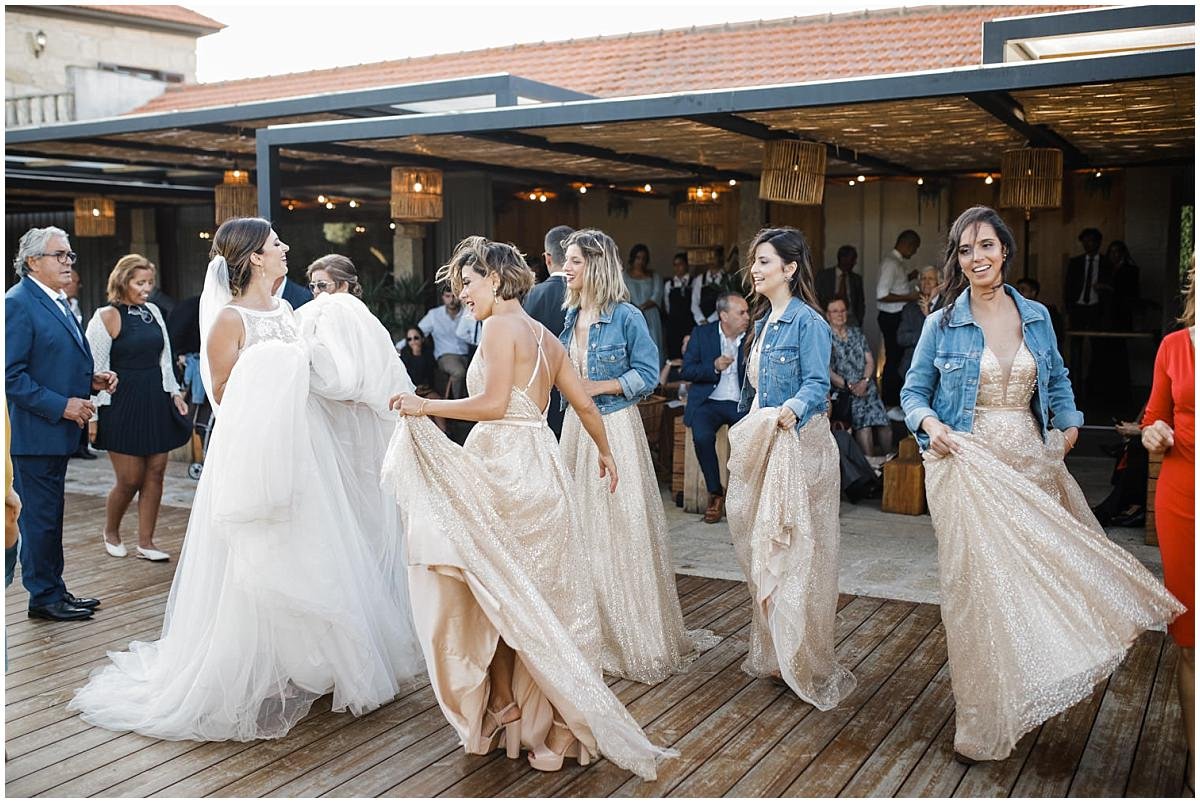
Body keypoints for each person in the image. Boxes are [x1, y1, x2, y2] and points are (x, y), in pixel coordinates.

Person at [68, 217, 423, 741]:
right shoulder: (228, 320)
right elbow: (224, 395)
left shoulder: (286, 310)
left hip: (306, 447)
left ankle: (311, 661)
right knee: (259, 553)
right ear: (255, 256)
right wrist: (278, 369)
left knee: (313, 546)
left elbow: (312, 376)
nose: (284, 247)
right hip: (257, 450)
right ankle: (256, 666)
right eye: (276, 243)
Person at [900, 205, 1182, 764]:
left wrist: (1070, 424)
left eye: (986, 245)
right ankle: (979, 724)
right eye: (965, 250)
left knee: (1036, 582)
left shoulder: (1037, 316)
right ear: (958, 260)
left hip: (1031, 460)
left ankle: (1025, 691)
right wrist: (931, 426)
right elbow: (912, 392)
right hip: (969, 466)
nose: (977, 257)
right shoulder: (942, 322)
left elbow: (1057, 380)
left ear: (1005, 250)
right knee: (976, 595)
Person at [384, 237, 673, 779]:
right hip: (544, 470)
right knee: (535, 598)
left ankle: (506, 704)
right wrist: (606, 453)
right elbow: (584, 403)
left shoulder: (498, 328)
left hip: (503, 469)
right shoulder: (547, 336)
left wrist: (424, 405)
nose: (462, 295)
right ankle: (531, 718)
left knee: (492, 589)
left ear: (495, 280)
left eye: (468, 283)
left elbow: (493, 404)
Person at [559, 228, 715, 685]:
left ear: (596, 265)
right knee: (579, 528)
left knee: (619, 528)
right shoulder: (570, 316)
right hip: (575, 429)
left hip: (614, 426)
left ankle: (628, 633)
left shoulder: (626, 316)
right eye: (566, 260)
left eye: (574, 260)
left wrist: (597, 386)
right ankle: (587, 632)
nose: (565, 268)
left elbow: (648, 375)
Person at [725, 226, 856, 710]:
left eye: (764, 261)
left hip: (800, 447)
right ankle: (776, 647)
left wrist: (790, 410)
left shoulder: (809, 323)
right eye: (754, 261)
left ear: (790, 268)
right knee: (755, 541)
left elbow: (817, 385)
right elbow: (753, 391)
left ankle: (802, 656)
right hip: (764, 444)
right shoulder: (761, 323)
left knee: (798, 552)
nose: (755, 269)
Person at [6, 226, 117, 622]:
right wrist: (62, 405)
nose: (68, 262)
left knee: (50, 517)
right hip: (33, 435)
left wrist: (90, 380)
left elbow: (49, 360)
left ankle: (54, 590)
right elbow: (11, 376)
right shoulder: (17, 303)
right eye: (60, 255)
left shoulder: (56, 299)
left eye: (70, 255)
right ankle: (44, 598)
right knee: (39, 519)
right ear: (33, 261)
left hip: (53, 433)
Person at [86, 254, 191, 562]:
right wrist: (93, 415)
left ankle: (147, 542)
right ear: (123, 282)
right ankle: (111, 532)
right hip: (120, 402)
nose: (147, 289)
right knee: (130, 478)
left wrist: (174, 393)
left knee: (156, 472)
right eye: (140, 283)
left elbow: (165, 358)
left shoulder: (153, 312)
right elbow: (93, 370)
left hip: (155, 398)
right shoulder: (106, 316)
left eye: (150, 283)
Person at [1141, 262, 1194, 790]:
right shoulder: (1175, 346)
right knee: (1191, 639)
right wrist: (1154, 432)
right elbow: (1153, 416)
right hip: (1183, 499)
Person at [680, 291, 749, 524]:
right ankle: (715, 493)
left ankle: (744, 497)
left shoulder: (753, 336)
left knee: (750, 440)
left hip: (740, 403)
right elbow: (687, 370)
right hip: (708, 401)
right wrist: (714, 367)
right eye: (741, 313)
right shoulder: (702, 334)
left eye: (747, 312)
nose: (747, 317)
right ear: (724, 316)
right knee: (702, 437)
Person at [523, 225, 574, 439]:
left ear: (547, 258)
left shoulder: (531, 296)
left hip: (539, 392)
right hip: (580, 389)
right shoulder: (586, 294)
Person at [826, 296, 893, 458]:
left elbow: (870, 361)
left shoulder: (856, 333)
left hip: (866, 386)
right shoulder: (825, 337)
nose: (840, 314)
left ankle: (889, 463)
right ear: (828, 315)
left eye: (843, 310)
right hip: (845, 392)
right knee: (865, 426)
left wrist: (865, 381)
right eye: (835, 311)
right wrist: (849, 386)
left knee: (885, 424)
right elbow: (826, 370)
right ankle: (871, 467)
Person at [876, 229, 921, 417]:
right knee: (893, 360)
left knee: (898, 359)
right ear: (907, 244)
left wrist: (909, 277)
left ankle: (897, 401)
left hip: (896, 316)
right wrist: (910, 297)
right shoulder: (891, 263)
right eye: (915, 248)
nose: (915, 252)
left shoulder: (897, 263)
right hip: (891, 317)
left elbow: (894, 285)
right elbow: (882, 294)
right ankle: (889, 403)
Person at [63, 266, 98, 460]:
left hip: (78, 363)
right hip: (65, 364)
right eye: (76, 282)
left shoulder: (74, 304)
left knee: (83, 402)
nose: (79, 286)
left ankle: (81, 446)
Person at [418, 287, 471, 400]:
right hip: (446, 356)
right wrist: (399, 346)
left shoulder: (467, 312)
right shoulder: (434, 315)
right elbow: (419, 332)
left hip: (468, 354)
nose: (451, 300)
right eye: (448, 296)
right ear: (443, 297)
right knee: (458, 372)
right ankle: (457, 403)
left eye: (454, 296)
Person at [397, 326, 448, 434]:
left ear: (422, 339)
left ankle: (444, 434)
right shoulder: (405, 355)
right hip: (412, 392)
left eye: (416, 338)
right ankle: (433, 436)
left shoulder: (428, 353)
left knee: (436, 403)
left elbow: (429, 376)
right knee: (425, 410)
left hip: (427, 390)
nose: (413, 341)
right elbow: (414, 377)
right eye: (409, 339)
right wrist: (416, 355)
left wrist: (419, 356)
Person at [624, 243, 666, 368]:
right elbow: (622, 295)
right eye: (638, 258)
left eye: (643, 258)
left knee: (653, 343)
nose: (640, 261)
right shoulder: (624, 276)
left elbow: (657, 295)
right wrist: (635, 309)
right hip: (631, 314)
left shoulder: (654, 276)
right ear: (633, 258)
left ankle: (655, 374)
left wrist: (641, 308)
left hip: (651, 315)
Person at [896, 266, 942, 380]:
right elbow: (901, 338)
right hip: (912, 369)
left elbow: (946, 338)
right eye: (923, 279)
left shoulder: (948, 306)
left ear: (939, 283)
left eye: (931, 279)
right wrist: (924, 336)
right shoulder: (909, 308)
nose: (926, 282)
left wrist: (928, 316)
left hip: (939, 370)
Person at [1065, 227, 1112, 331]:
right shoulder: (1075, 262)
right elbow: (1068, 286)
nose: (1087, 244)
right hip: (1078, 304)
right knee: (1076, 335)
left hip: (1097, 305)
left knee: (1097, 336)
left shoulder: (1107, 263)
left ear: (1098, 242)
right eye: (1084, 241)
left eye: (1090, 241)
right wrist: (1068, 308)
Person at [815, 245, 866, 326]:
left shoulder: (856, 279)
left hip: (850, 319)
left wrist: (859, 320)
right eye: (852, 259)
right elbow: (816, 298)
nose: (855, 262)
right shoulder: (824, 276)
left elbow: (860, 303)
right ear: (843, 259)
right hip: (828, 318)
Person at [662, 252, 694, 361]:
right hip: (674, 324)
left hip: (689, 322)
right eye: (675, 265)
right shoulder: (669, 284)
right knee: (674, 351)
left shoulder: (694, 282)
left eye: (680, 264)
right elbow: (667, 305)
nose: (677, 268)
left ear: (686, 265)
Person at [1014, 277, 1063, 343]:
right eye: (1017, 290)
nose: (1018, 293)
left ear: (1033, 293)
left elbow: (1056, 336)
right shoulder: (1013, 310)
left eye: (1023, 290)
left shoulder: (1047, 312)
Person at [1106, 240, 1140, 331]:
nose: (1113, 255)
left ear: (1122, 253)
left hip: (1122, 309)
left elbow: (1131, 290)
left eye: (1116, 251)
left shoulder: (1131, 270)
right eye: (1111, 252)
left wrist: (1109, 288)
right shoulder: (1105, 269)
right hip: (1106, 310)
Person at [691, 261, 725, 326]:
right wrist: (701, 319)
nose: (711, 260)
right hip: (702, 323)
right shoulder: (700, 279)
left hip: (720, 321)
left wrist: (711, 320)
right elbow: (694, 303)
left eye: (714, 257)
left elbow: (727, 304)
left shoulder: (727, 278)